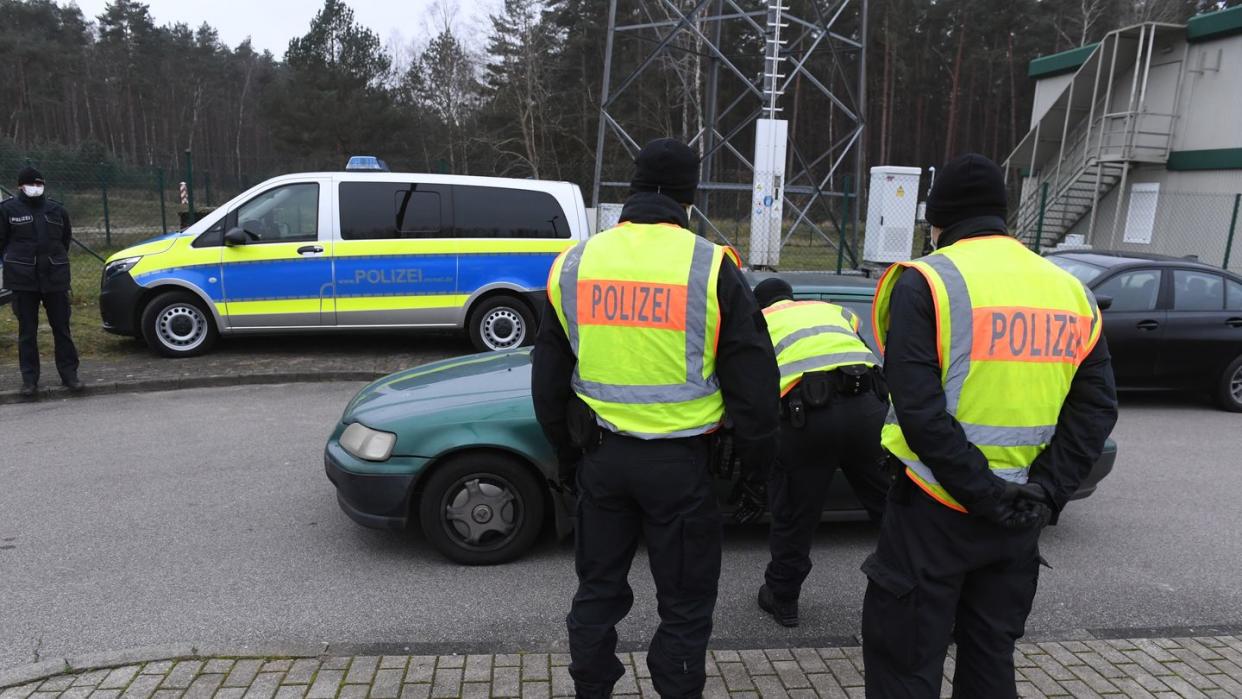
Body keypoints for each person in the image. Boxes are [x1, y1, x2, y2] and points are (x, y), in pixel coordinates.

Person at [860, 153, 1118, 698]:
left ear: (938, 221)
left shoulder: (927, 281)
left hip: (935, 508)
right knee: (989, 661)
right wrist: (1044, 492)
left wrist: (982, 493)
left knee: (906, 663)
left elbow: (919, 410)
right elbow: (1094, 410)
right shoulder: (1070, 291)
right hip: (1019, 516)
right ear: (1003, 216)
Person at [532, 137, 780, 698]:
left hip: (603, 459)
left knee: (597, 590)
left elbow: (547, 383)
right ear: (689, 198)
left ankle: (592, 690)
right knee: (686, 603)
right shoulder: (711, 265)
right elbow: (755, 387)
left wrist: (568, 458)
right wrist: (756, 473)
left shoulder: (576, 262)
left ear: (633, 188)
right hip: (682, 468)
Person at [747, 277, 890, 628]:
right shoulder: (832, 311)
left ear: (759, 304)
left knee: (796, 511)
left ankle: (783, 600)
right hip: (868, 411)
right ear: (792, 297)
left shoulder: (759, 321)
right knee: (891, 506)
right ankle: (925, 593)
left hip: (807, 419)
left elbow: (751, 382)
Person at [0, 166, 83, 398]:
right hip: (23, 281)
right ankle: (29, 381)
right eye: (31, 184)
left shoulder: (56, 210)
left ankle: (70, 376)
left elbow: (64, 240)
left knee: (62, 329)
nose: (35, 188)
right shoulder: (7, 210)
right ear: (20, 186)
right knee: (27, 332)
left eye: (39, 184)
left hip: (55, 279)